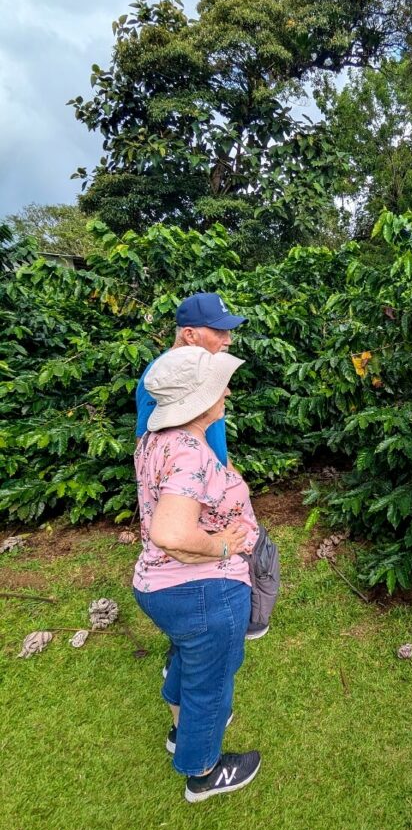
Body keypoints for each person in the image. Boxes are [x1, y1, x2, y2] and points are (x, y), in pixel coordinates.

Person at [133, 345, 261, 802]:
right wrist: (224, 545)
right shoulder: (189, 453)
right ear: (197, 400)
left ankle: (178, 731)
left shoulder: (159, 439)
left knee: (190, 659)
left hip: (159, 584)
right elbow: (171, 530)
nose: (225, 390)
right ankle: (202, 772)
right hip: (203, 593)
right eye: (216, 386)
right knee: (211, 686)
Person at [136, 292, 246, 469]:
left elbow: (212, 439)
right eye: (220, 332)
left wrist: (232, 479)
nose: (229, 341)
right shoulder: (162, 377)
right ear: (190, 335)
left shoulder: (203, 370)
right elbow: (146, 446)